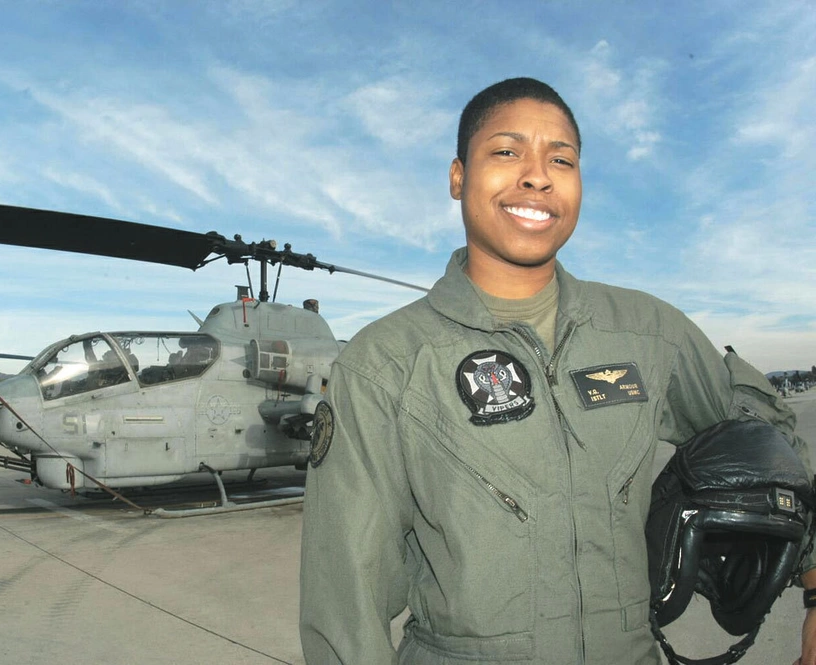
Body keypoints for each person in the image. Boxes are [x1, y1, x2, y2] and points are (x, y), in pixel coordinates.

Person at [298, 77, 816, 665]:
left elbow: (772, 444)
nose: (537, 175)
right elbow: (344, 598)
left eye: (561, 159)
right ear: (458, 177)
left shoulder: (649, 332)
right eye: (506, 151)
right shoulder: (385, 362)